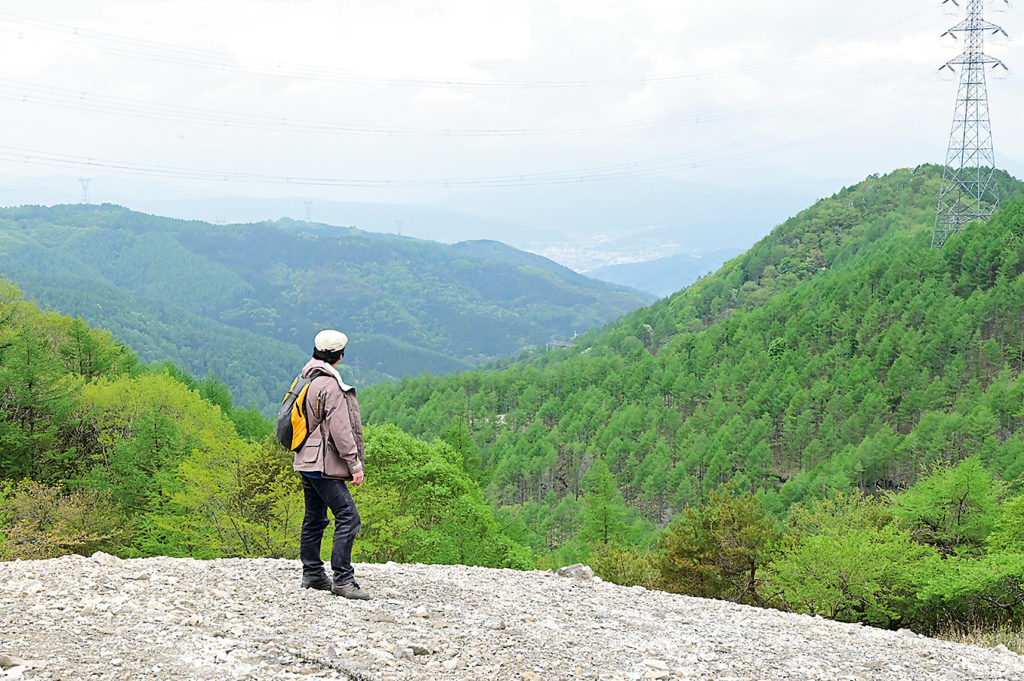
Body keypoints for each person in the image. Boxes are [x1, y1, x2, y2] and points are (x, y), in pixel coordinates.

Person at [292, 329, 370, 600]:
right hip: (323, 464)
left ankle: (313, 574)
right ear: (339, 356)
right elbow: (341, 430)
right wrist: (354, 465)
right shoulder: (331, 386)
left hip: (305, 459)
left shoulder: (304, 379)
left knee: (315, 518)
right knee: (349, 517)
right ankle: (343, 580)